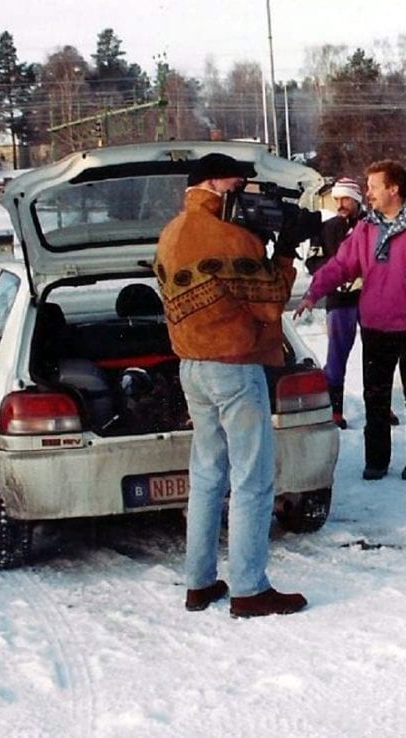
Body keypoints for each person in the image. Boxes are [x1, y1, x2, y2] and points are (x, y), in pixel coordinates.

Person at [154, 153, 307, 617]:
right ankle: (248, 588)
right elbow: (270, 304)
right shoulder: (229, 235)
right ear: (215, 183)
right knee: (253, 479)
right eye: (240, 183)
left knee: (205, 476)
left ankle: (199, 583)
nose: (246, 191)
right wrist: (282, 252)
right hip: (235, 368)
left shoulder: (170, 233)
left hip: (192, 367)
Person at [295, 159, 406, 481]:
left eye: (373, 187)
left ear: (393, 188)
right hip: (375, 324)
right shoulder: (366, 228)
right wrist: (313, 292)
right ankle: (376, 461)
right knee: (375, 396)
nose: (367, 193)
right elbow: (341, 264)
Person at [304, 177, 398, 430]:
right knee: (337, 354)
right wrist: (339, 278)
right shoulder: (325, 228)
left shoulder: (375, 225)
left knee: (376, 354)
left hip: (371, 299)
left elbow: (390, 258)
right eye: (336, 199)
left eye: (345, 199)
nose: (340, 204)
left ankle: (380, 405)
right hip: (339, 300)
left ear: (356, 199)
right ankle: (335, 409)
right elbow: (312, 262)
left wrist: (368, 276)